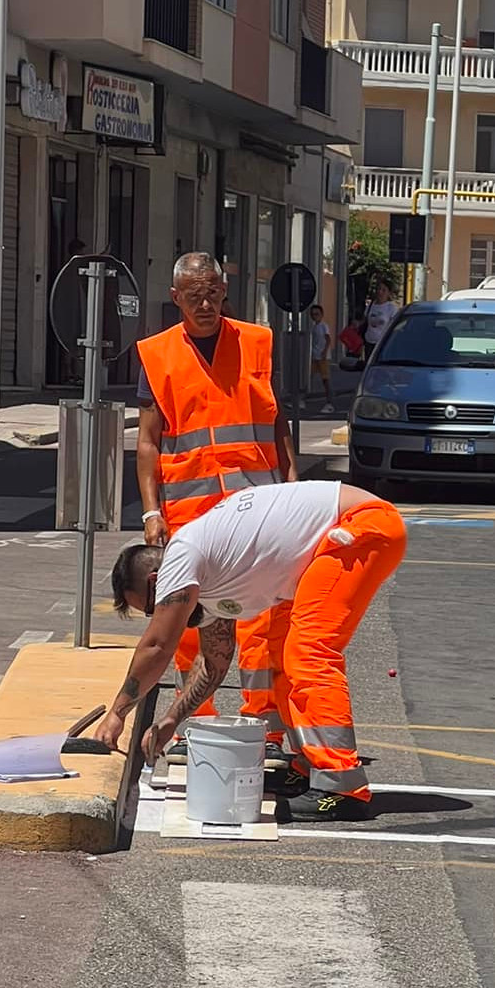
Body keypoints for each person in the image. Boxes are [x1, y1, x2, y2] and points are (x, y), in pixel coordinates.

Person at [97, 480, 407, 820]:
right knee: (283, 654)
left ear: (156, 580)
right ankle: (309, 765)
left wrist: (118, 714)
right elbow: (214, 664)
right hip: (341, 536)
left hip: (360, 526)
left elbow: (158, 645)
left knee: (308, 651)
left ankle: (341, 787)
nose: (157, 614)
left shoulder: (181, 555)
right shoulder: (210, 582)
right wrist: (173, 719)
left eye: (151, 607)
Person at [134, 252, 298, 754]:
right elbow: (147, 441)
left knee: (262, 620)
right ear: (176, 298)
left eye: (212, 294)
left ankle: (266, 725)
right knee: (189, 625)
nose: (204, 304)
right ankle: (194, 725)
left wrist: (292, 479)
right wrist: (151, 510)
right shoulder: (157, 354)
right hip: (191, 514)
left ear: (225, 292)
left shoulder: (256, 342)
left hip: (257, 510)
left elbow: (276, 420)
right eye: (194, 296)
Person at [309, 304, 334, 413]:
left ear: (321, 315)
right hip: (314, 355)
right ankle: (302, 398)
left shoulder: (324, 326)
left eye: (317, 314)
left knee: (325, 379)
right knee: (308, 377)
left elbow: (328, 339)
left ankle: (330, 402)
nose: (315, 316)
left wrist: (324, 352)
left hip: (322, 356)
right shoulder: (314, 326)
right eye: (313, 314)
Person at [363, 277, 400, 350]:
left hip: (382, 344)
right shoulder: (371, 305)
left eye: (384, 290)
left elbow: (395, 326)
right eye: (379, 289)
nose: (380, 292)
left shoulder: (391, 308)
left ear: (389, 293)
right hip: (369, 342)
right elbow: (364, 320)